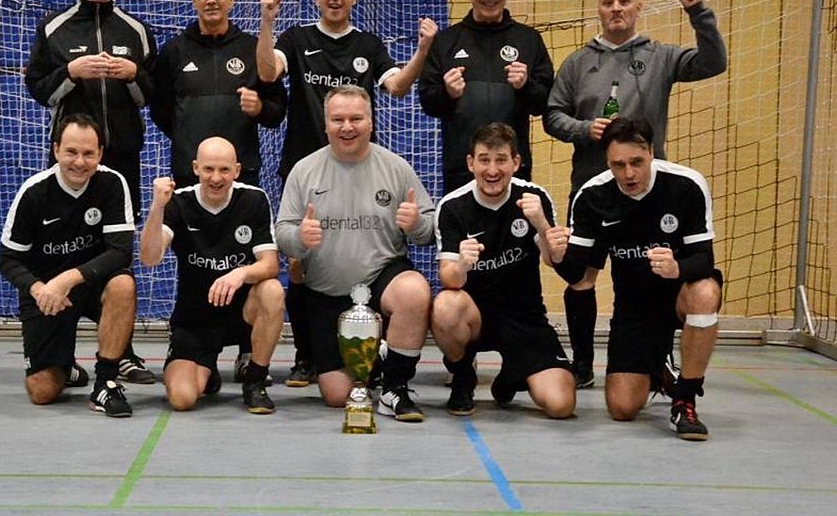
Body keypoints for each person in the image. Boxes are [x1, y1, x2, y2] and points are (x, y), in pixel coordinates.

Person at [258, 0, 438, 387]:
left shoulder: (368, 45)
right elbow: (268, 72)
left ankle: (377, 356)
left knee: (363, 256)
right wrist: (267, 22)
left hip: (358, 165)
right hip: (310, 166)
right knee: (301, 265)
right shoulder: (297, 39)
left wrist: (424, 49)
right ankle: (308, 355)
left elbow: (396, 87)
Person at [544, 0, 727, 389]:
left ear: (639, 7)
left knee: (653, 272)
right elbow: (552, 115)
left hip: (648, 194)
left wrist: (699, 12)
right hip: (592, 188)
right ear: (599, 10)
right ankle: (583, 363)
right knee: (582, 275)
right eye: (607, 2)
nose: (616, 8)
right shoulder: (577, 63)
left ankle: (657, 355)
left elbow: (714, 63)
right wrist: (583, 128)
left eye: (624, 1)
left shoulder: (659, 55)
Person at [25, 0, 158, 385]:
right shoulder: (54, 27)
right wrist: (70, 73)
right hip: (72, 162)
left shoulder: (135, 30)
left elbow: (151, 96)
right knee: (62, 247)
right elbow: (39, 88)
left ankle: (120, 353)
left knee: (117, 256)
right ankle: (56, 345)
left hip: (121, 160)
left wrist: (134, 75)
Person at [545, 117, 722, 440]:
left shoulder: (686, 185)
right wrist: (553, 252)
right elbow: (575, 273)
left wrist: (676, 269)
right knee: (622, 409)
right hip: (634, 308)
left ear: (652, 152)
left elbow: (705, 260)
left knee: (706, 292)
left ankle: (685, 399)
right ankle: (660, 367)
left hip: (679, 293)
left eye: (636, 162)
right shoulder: (592, 196)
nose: (628, 174)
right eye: (618, 164)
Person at [150, 0, 286, 382]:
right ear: (194, 0)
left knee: (247, 262)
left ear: (231, 0)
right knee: (191, 260)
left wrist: (258, 109)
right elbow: (160, 111)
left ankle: (248, 350)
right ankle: (191, 341)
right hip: (189, 182)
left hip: (242, 179)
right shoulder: (173, 51)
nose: (211, 0)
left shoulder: (251, 47)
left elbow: (277, 110)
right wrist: (196, 150)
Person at [275, 85, 435, 422]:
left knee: (413, 291)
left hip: (380, 279)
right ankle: (370, 363)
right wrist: (301, 238)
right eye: (338, 119)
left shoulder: (396, 168)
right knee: (337, 396)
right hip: (327, 293)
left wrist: (416, 223)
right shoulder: (304, 171)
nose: (347, 127)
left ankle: (395, 388)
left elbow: (430, 231)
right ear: (326, 125)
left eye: (356, 118)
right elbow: (284, 235)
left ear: (371, 122)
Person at [431, 123, 575, 418]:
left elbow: (555, 259)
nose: (492, 170)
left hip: (525, 317)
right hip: (476, 318)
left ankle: (512, 374)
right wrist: (462, 263)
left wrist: (541, 224)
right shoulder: (452, 206)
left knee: (561, 405)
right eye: (484, 159)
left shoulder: (534, 198)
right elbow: (449, 278)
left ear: (516, 163)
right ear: (471, 163)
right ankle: (463, 376)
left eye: (501, 160)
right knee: (445, 305)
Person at [0, 113, 137, 417]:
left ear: (100, 153)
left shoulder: (112, 183)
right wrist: (39, 289)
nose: (80, 162)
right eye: (72, 152)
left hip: (91, 286)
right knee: (43, 391)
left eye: (89, 153)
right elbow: (8, 259)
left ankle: (106, 383)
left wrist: (69, 278)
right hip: (47, 294)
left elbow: (121, 252)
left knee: (123, 283)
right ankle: (67, 368)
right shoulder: (34, 192)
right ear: (57, 149)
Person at [139, 137, 285, 414]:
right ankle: (207, 371)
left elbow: (270, 265)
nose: (216, 178)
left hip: (241, 314)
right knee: (182, 400)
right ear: (195, 168)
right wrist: (157, 206)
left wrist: (239, 274)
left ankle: (254, 382)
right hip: (196, 319)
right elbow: (149, 258)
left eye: (224, 170)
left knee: (272, 290)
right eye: (208, 169)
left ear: (237, 170)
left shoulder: (253, 199)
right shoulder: (178, 202)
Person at [419, 0, 554, 194]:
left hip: (514, 168)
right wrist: (447, 93)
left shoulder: (529, 39)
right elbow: (428, 103)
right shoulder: (446, 41)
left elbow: (544, 103)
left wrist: (525, 85)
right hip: (462, 168)